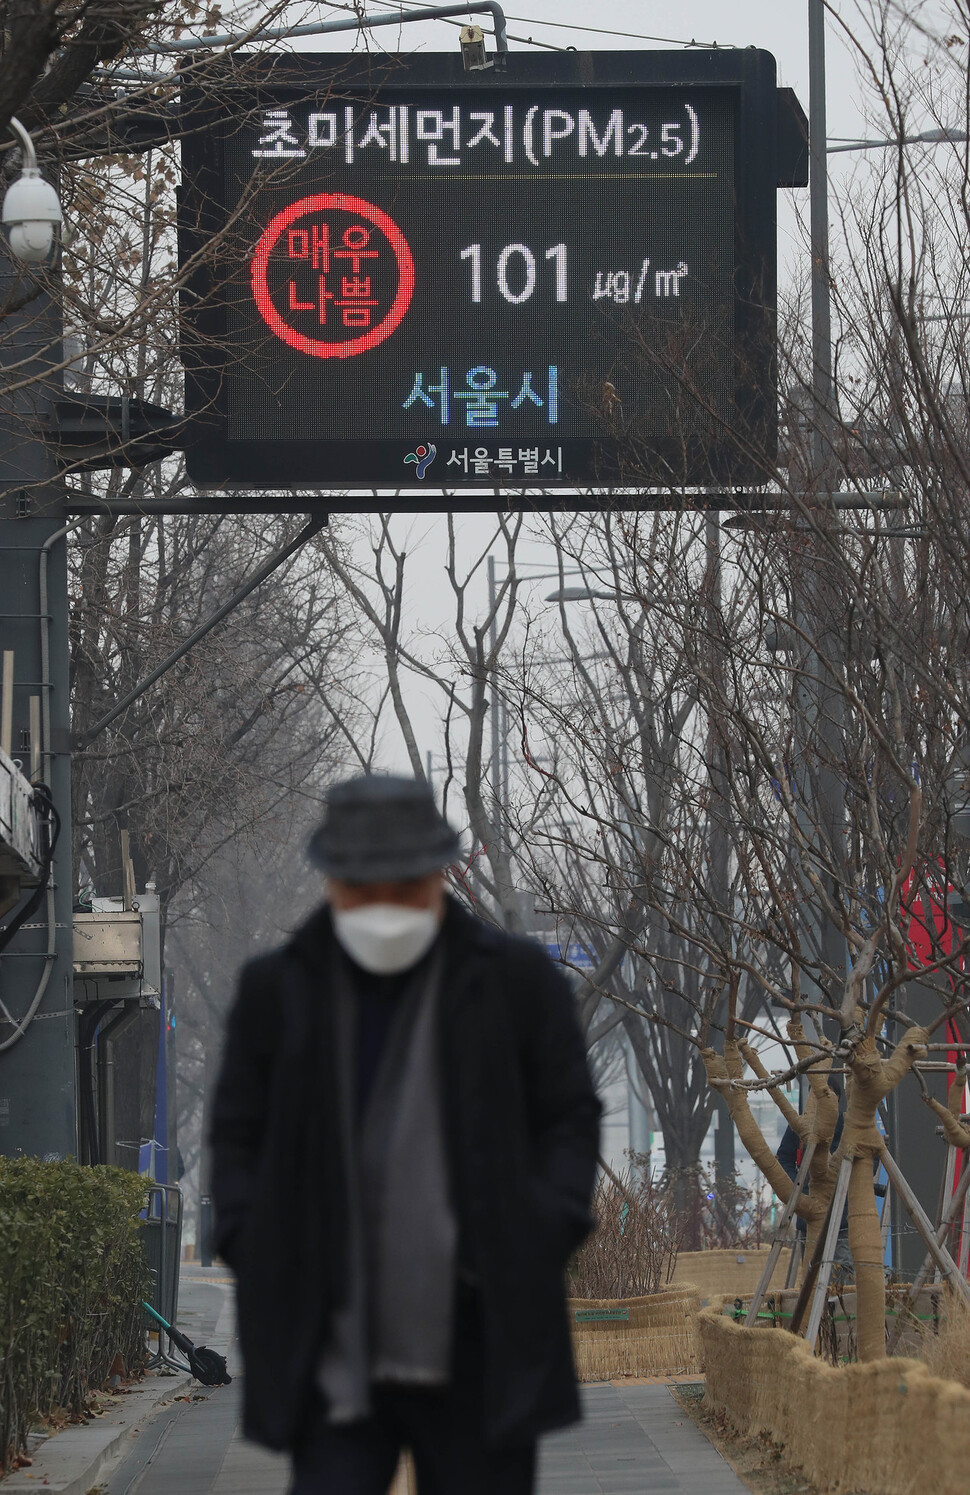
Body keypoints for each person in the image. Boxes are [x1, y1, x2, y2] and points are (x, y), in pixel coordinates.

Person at [210, 774, 601, 1495]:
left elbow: (570, 1118)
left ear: (439, 873)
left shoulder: (516, 983)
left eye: (404, 883)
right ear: (331, 880)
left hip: (484, 1336)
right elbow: (237, 1134)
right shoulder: (280, 989)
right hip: (330, 1338)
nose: (384, 905)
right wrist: (247, 1235)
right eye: (364, 887)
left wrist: (544, 1226)